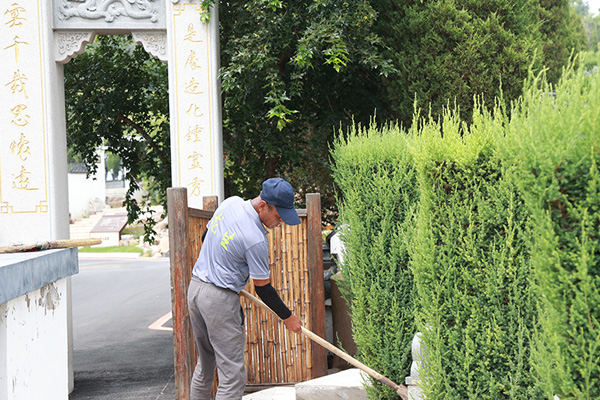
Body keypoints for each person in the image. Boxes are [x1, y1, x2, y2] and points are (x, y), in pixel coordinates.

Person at [187, 177, 303, 399]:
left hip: (196, 290)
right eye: (278, 217)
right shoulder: (256, 239)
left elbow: (206, 237)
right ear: (263, 206)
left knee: (206, 363)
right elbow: (263, 289)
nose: (280, 223)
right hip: (218, 301)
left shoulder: (231, 203)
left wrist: (223, 267)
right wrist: (288, 318)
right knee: (232, 377)